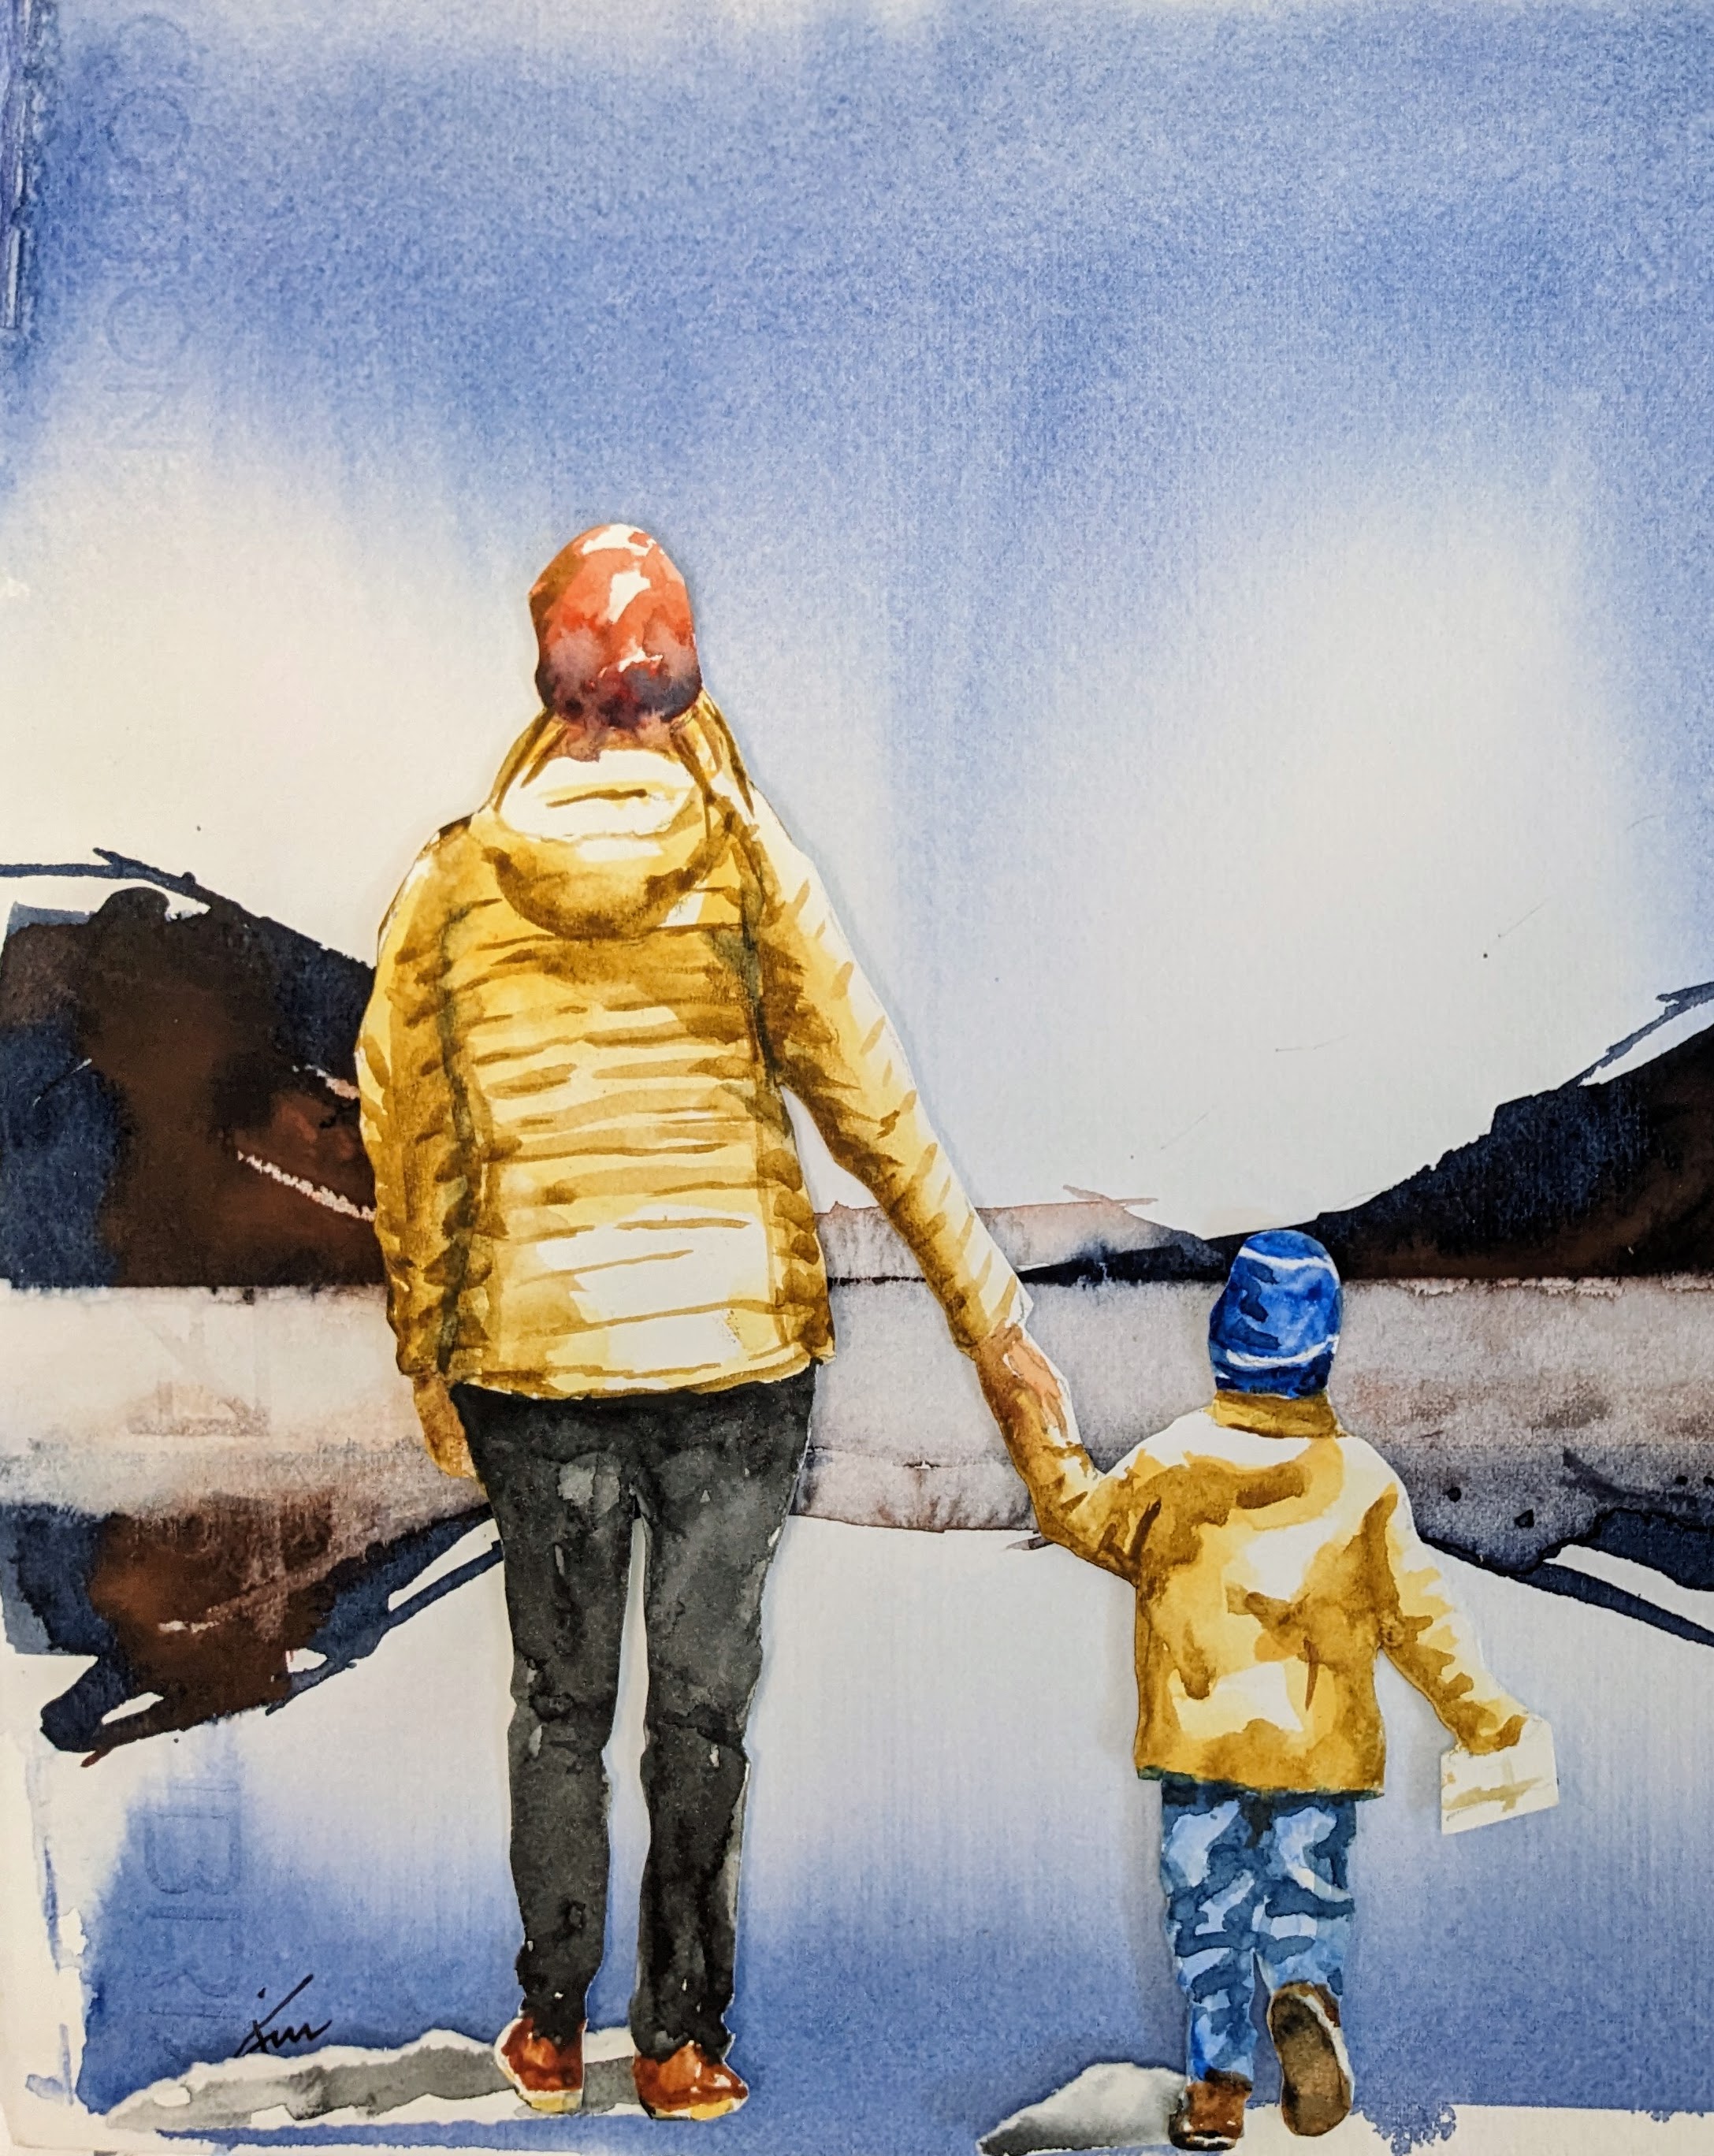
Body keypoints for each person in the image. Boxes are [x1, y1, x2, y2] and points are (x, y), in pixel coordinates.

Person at [357, 524, 1075, 2122]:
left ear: (547, 681)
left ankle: (552, 2028)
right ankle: (682, 2044)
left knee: (558, 1706)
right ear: (683, 682)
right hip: (737, 1360)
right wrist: (992, 1322)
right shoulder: (747, 861)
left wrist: (428, 1346)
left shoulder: (453, 882)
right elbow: (872, 1106)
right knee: (702, 1714)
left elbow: (407, 1139)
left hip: (534, 1355)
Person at [995, 1229, 1534, 2151]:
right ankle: (1305, 1996)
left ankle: (1215, 2093)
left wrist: (1034, 1413)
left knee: (1205, 1914)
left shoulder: (1173, 1461)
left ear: (1221, 1338)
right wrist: (1485, 1720)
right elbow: (1421, 1620)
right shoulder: (1362, 1482)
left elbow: (1081, 1518)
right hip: (1319, 1751)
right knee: (1308, 1895)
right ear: (1324, 1351)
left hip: (1200, 1743)